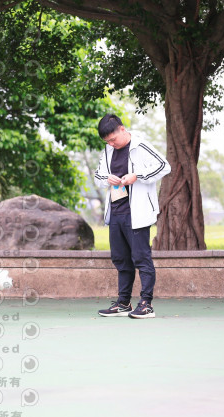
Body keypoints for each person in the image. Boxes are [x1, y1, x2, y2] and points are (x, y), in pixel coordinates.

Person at [94, 114, 171, 319]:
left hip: (137, 212)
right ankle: (123, 303)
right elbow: (98, 176)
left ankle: (146, 304)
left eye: (113, 139)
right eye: (107, 141)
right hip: (116, 211)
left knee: (141, 258)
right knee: (120, 259)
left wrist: (137, 176)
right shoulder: (108, 150)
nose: (111, 144)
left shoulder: (140, 146)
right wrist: (107, 178)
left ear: (122, 129)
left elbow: (164, 166)